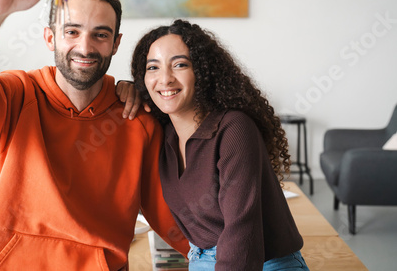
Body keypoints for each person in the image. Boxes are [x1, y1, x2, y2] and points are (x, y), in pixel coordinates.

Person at [0, 0, 188, 270]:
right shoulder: (17, 95)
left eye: (100, 34)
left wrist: (229, 256)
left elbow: (171, 218)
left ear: (116, 43)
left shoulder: (136, 116)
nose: (85, 46)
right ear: (50, 36)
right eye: (72, 31)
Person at [131, 19, 309, 270]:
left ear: (202, 71)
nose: (165, 79)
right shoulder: (164, 134)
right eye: (153, 68)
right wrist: (125, 90)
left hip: (262, 262)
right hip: (199, 258)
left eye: (180, 64)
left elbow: (241, 231)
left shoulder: (234, 128)